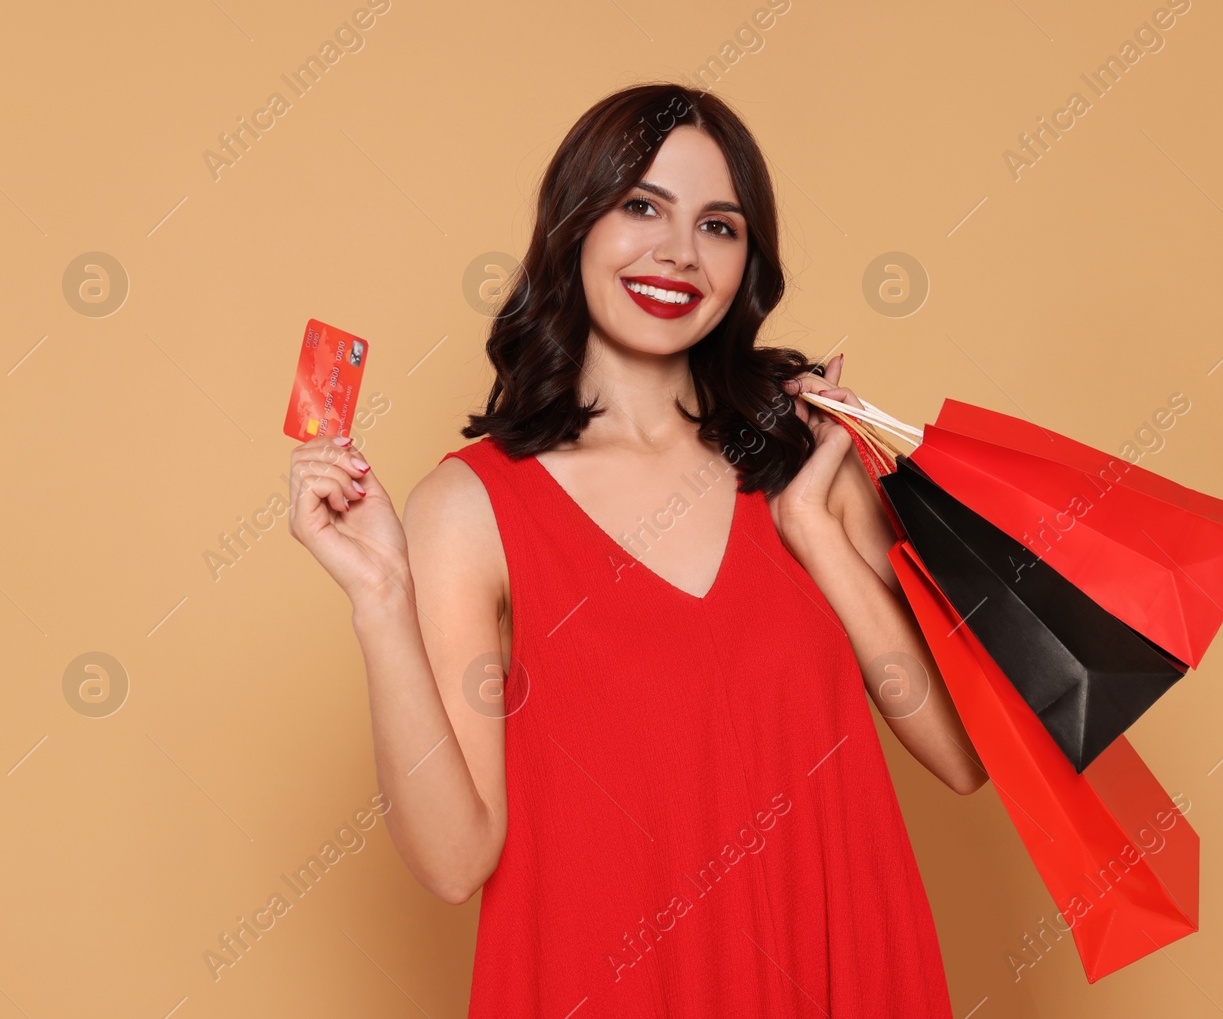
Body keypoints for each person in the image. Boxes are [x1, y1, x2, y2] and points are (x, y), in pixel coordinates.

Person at [288, 83, 987, 1016]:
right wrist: (380, 598)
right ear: (574, 227)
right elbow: (456, 862)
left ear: (748, 264)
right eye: (642, 206)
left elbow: (962, 755)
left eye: (720, 225)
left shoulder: (809, 467)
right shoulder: (471, 506)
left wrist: (816, 531)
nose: (678, 252)